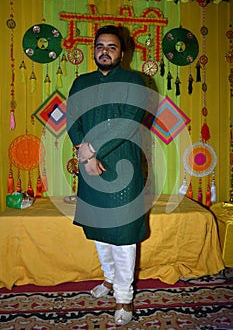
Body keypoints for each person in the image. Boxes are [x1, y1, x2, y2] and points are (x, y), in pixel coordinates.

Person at [66, 25, 148, 326]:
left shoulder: (133, 80)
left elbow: (129, 122)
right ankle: (111, 280)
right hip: (91, 169)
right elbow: (72, 118)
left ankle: (125, 298)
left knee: (123, 236)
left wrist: (91, 151)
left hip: (123, 165)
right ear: (94, 50)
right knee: (101, 231)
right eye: (100, 46)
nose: (105, 51)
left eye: (112, 47)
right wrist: (84, 153)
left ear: (122, 52)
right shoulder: (81, 81)